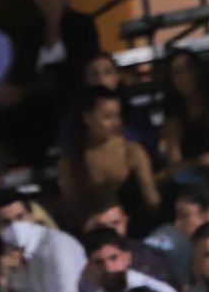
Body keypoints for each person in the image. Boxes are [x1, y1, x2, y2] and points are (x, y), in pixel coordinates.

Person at [57, 87, 162, 222]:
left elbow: (152, 199)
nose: (116, 123)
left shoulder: (131, 151)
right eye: (108, 117)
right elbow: (72, 207)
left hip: (135, 224)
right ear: (87, 118)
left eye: (118, 116)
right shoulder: (71, 160)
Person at [0, 192, 88, 292]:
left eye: (20, 217)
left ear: (33, 217)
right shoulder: (10, 258)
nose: (15, 226)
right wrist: (2, 284)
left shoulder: (58, 246)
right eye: (6, 223)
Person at [12, 0, 100, 93]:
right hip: (35, 99)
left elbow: (85, 64)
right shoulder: (29, 32)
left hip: (75, 96)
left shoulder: (82, 24)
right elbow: (21, 72)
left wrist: (50, 77)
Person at [158, 50, 209, 177]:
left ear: (200, 71)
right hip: (191, 180)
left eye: (190, 69)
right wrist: (201, 162)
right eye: (177, 73)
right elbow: (175, 166)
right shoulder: (173, 119)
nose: (185, 76)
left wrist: (208, 162)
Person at [75, 194, 177, 292]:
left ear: (125, 221)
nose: (110, 230)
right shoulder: (82, 270)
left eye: (115, 223)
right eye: (101, 227)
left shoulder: (148, 257)